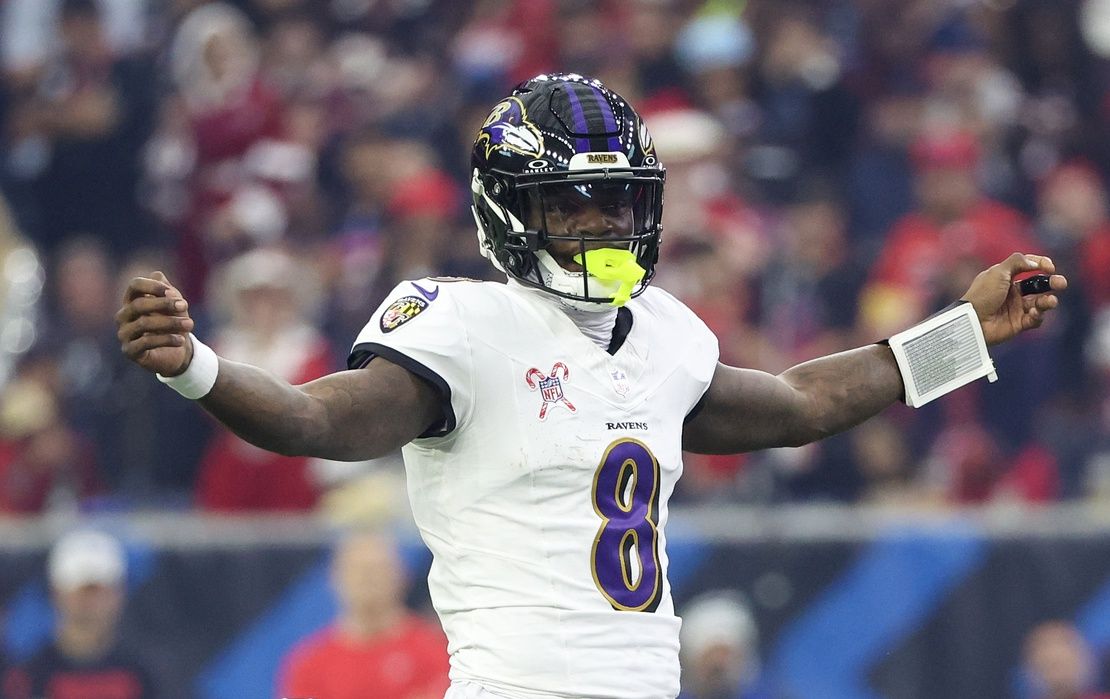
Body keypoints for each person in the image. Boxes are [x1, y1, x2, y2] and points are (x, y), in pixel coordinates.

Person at [116, 74, 1066, 699]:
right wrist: (195, 366)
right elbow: (314, 418)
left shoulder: (663, 334)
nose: (605, 223)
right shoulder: (464, 326)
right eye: (572, 204)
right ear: (505, 213)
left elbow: (805, 403)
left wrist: (963, 334)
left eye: (619, 200)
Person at [277, 531, 449, 699]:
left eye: (377, 569)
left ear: (401, 576)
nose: (367, 579)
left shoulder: (435, 652)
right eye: (358, 570)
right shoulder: (309, 664)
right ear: (335, 577)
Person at [1, 529, 157, 699]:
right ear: (56, 592)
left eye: (98, 590)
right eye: (80, 590)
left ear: (119, 594)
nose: (89, 601)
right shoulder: (28, 676)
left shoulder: (141, 674)